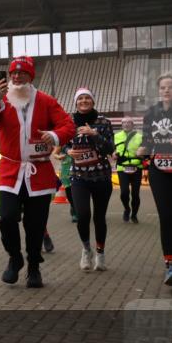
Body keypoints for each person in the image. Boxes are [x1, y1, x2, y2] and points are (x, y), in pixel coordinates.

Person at [0, 56, 75, 289]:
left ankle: (34, 267)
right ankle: (14, 257)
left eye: (22, 73)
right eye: (13, 73)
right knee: (7, 216)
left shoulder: (46, 101)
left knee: (35, 224)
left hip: (39, 172)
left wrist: (55, 136)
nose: (17, 77)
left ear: (31, 76)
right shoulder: (1, 101)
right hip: (10, 171)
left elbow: (67, 125)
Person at [137, 73, 172, 286]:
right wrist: (144, 148)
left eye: (170, 87)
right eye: (162, 87)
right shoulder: (151, 113)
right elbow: (148, 138)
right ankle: (170, 265)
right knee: (167, 215)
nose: (166, 90)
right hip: (160, 169)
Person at [64, 88, 115, 272]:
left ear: (93, 101)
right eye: (80, 98)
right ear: (76, 102)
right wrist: (67, 151)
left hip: (101, 176)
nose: (84, 101)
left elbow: (110, 148)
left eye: (87, 98)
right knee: (83, 216)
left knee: (99, 217)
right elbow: (63, 145)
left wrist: (95, 134)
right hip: (79, 177)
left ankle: (100, 254)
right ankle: (86, 250)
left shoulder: (103, 122)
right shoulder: (68, 123)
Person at [114, 117, 144, 223]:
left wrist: (143, 152)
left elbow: (147, 149)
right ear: (121, 125)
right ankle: (127, 209)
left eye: (129, 122)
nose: (126, 124)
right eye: (124, 123)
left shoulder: (140, 136)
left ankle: (134, 215)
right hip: (122, 167)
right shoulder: (116, 136)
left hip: (137, 167)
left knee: (135, 193)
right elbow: (111, 149)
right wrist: (113, 154)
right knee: (124, 192)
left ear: (133, 124)